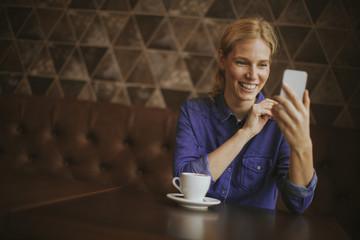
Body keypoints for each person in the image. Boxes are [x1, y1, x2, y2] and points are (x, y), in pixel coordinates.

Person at [173, 17, 317, 214]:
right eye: (242, 62)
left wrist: (302, 145)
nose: (253, 75)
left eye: (262, 65)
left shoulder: (279, 122)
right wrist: (246, 133)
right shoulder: (193, 112)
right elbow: (183, 181)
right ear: (222, 60)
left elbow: (297, 203)